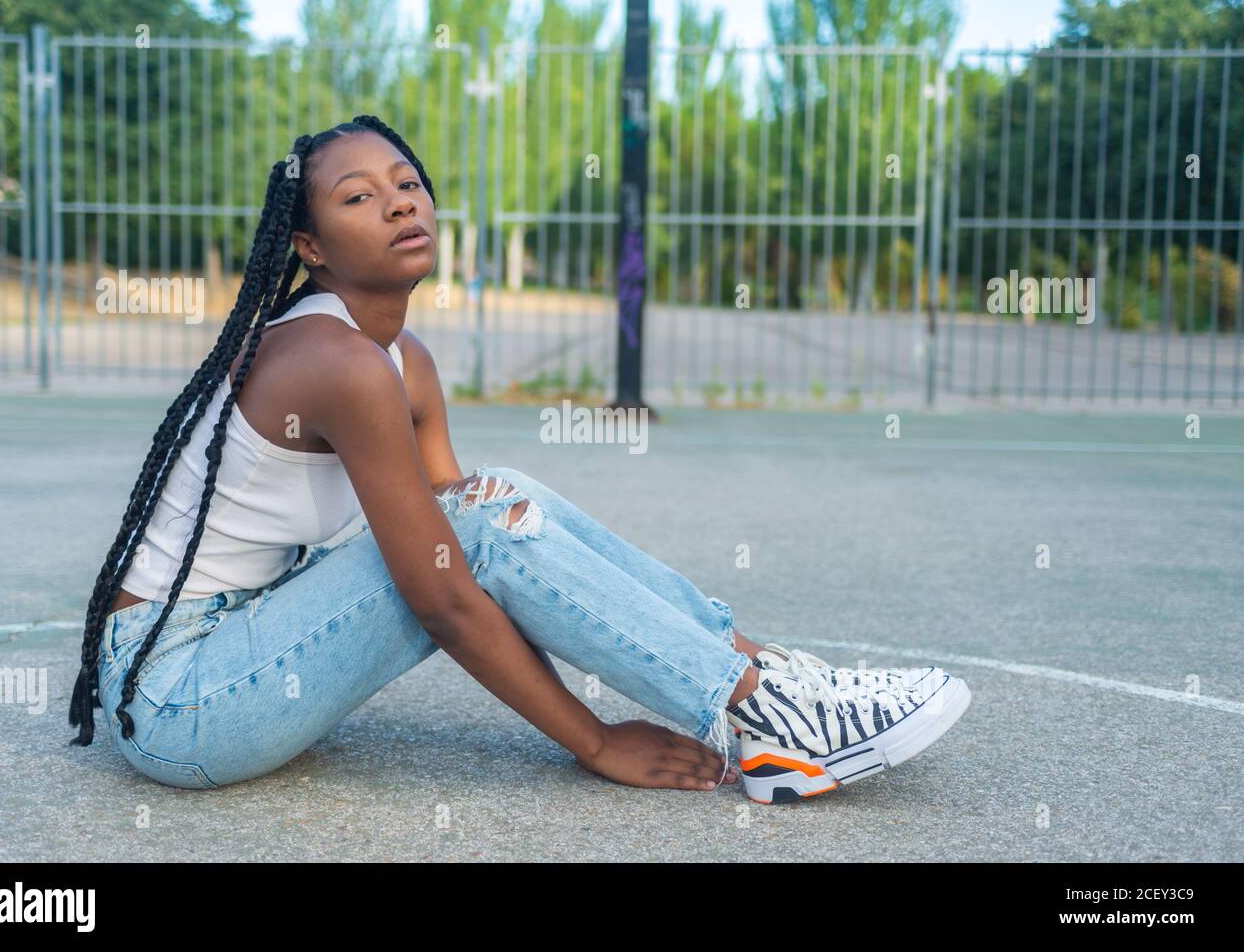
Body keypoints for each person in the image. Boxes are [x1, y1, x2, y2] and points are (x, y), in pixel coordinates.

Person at [68, 115, 970, 804]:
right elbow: (446, 592)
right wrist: (594, 741)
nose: (399, 202)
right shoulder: (332, 361)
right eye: (357, 196)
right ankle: (768, 708)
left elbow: (482, 525)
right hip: (183, 694)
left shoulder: (402, 363)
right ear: (308, 246)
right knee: (479, 525)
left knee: (503, 495)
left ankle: (772, 679)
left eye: (408, 181)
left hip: (249, 639)